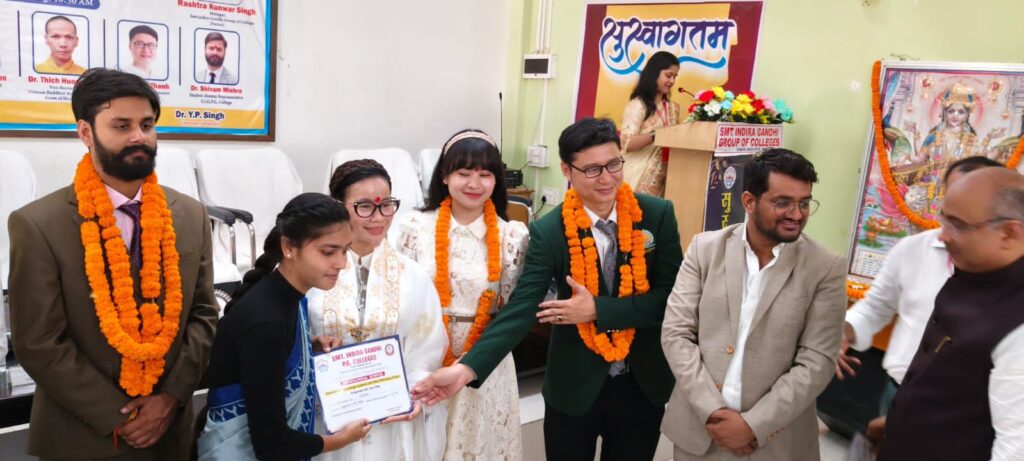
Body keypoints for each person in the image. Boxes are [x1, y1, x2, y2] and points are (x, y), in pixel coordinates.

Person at [414, 118, 683, 460]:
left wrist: (597, 310)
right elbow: (522, 307)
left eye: (614, 164)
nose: (606, 178)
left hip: (642, 383)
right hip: (573, 387)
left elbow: (671, 299)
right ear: (566, 170)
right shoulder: (550, 231)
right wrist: (466, 369)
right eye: (592, 169)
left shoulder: (657, 214)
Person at [8, 68, 218, 459]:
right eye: (121, 126)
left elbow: (204, 314)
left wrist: (170, 397)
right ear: (85, 132)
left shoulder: (190, 214)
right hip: (84, 436)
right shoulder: (38, 225)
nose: (139, 136)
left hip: (170, 431)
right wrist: (119, 416)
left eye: (146, 124)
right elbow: (38, 343)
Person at [661, 149, 846, 460]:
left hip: (776, 441)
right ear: (748, 201)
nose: (797, 214)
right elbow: (676, 334)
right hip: (701, 432)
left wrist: (753, 425)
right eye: (783, 202)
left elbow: (817, 361)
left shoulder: (825, 267)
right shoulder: (705, 250)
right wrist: (713, 411)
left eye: (804, 203)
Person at [198, 193, 372, 460]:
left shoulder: (287, 295)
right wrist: (340, 440)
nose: (341, 263)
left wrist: (305, 347)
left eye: (345, 250)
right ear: (289, 247)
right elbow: (272, 444)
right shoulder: (266, 321)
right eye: (328, 252)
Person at [395, 129, 529, 460]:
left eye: (485, 174)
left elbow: (513, 310)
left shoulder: (513, 236)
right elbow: (397, 295)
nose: (474, 183)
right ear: (445, 176)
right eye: (464, 173)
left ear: (496, 181)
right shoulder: (414, 227)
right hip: (423, 354)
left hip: (485, 356)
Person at [836, 157, 1004, 418]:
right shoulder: (913, 249)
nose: (949, 229)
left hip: (974, 411)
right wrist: (845, 331)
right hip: (900, 392)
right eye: (950, 207)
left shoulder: (1010, 269)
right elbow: (876, 306)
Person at [879, 167, 1024, 461]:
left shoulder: (1016, 324)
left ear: (1009, 232)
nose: (943, 235)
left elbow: (1014, 446)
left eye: (958, 225)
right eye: (944, 219)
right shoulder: (972, 272)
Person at [307, 159, 448, 461]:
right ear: (337, 207)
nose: (378, 217)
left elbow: (427, 345)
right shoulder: (311, 272)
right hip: (325, 416)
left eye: (386, 205)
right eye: (364, 206)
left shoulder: (413, 276)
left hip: (390, 421)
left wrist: (414, 390)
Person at [619, 50, 681, 197]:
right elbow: (626, 144)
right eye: (668, 75)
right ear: (654, 74)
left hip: (664, 179)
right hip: (636, 177)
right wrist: (657, 134)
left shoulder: (672, 109)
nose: (672, 81)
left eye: (675, 76)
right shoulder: (638, 105)